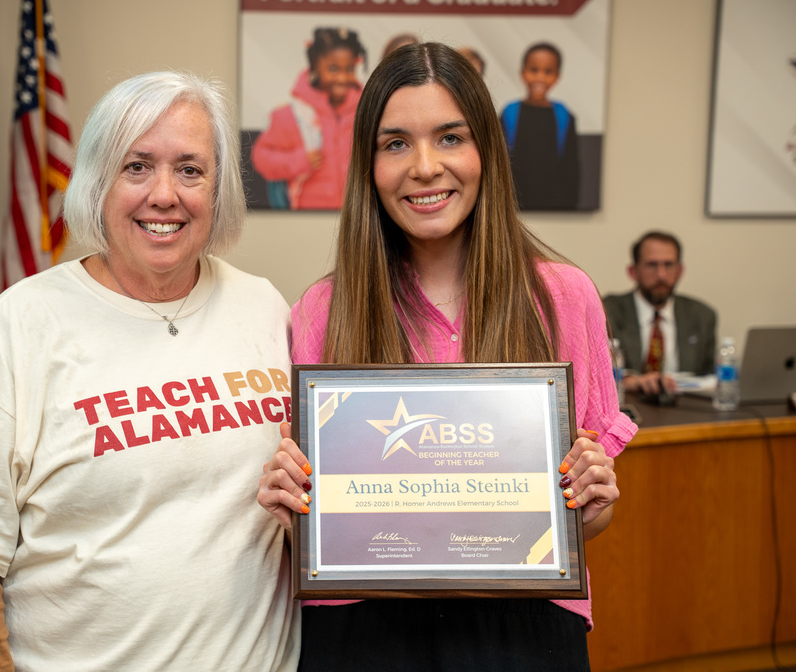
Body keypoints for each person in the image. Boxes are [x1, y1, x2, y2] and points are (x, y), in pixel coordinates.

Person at [0, 71, 299, 671]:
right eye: (137, 166)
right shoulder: (21, 326)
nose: (165, 195)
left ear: (219, 191)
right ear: (96, 182)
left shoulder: (265, 308)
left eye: (190, 169)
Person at [258, 42, 636, 670]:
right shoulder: (322, 310)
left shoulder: (564, 298)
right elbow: (322, 525)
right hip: (362, 631)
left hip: (523, 629)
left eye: (451, 137)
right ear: (368, 164)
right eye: (396, 143)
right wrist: (291, 508)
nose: (426, 167)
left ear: (486, 150)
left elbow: (581, 524)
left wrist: (592, 506)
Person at [252, 27, 366, 210]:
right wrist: (299, 160)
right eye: (333, 68)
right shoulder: (292, 115)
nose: (343, 77)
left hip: (357, 217)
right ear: (314, 66)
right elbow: (261, 157)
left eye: (350, 69)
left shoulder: (366, 111)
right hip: (306, 218)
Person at [603, 231, 717, 396]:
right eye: (652, 265)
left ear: (680, 271)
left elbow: (710, 378)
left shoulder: (701, 315)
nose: (661, 274)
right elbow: (597, 375)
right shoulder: (609, 312)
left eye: (668, 265)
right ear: (633, 271)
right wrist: (630, 380)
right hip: (629, 409)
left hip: (686, 411)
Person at [500, 41, 580, 210]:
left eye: (548, 71)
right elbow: (500, 162)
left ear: (557, 76)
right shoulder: (509, 113)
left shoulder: (564, 116)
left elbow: (572, 168)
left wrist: (569, 206)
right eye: (534, 70)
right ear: (523, 73)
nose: (540, 77)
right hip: (514, 204)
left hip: (555, 205)